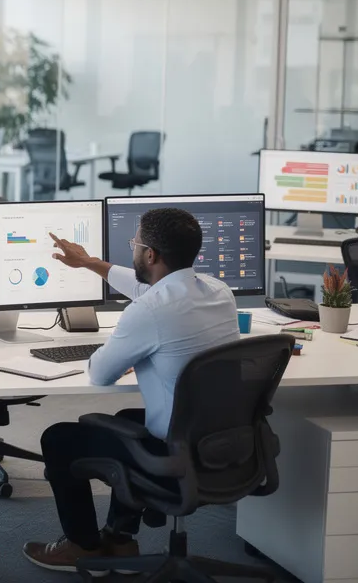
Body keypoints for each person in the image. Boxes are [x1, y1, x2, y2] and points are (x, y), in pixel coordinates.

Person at [24, 208, 240, 574]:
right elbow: (149, 289)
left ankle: (81, 546)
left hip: (173, 455)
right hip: (223, 445)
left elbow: (100, 374)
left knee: (59, 438)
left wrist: (122, 350)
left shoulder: (148, 310)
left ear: (151, 255)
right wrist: (91, 263)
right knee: (126, 420)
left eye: (135, 244)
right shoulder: (220, 292)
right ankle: (119, 540)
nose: (133, 250)